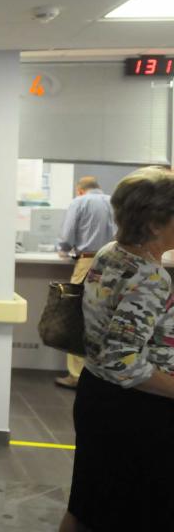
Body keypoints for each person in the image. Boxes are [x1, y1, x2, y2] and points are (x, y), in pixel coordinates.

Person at [60, 167, 174, 532]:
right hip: (135, 412)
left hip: (97, 394)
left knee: (85, 504)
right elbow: (123, 362)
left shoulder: (110, 253)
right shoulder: (150, 277)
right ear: (154, 224)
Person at [54, 176, 116, 389]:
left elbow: (67, 236)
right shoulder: (115, 201)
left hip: (88, 262)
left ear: (80, 190)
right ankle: (101, 374)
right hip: (116, 263)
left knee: (78, 316)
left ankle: (77, 374)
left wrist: (62, 249)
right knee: (107, 317)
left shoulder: (79, 202)